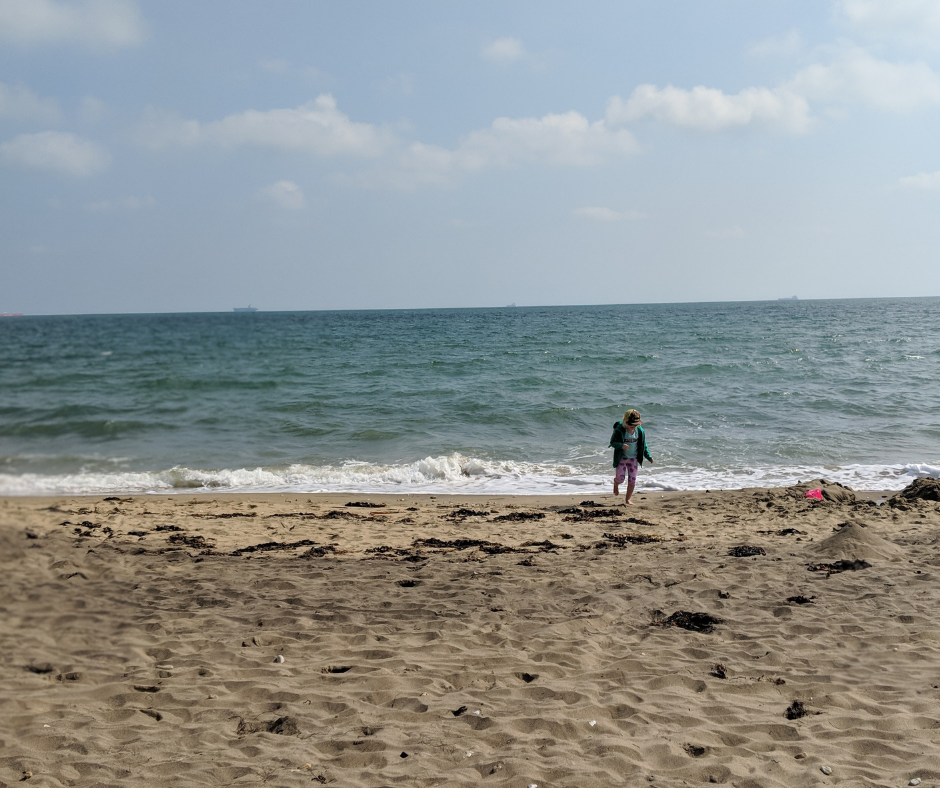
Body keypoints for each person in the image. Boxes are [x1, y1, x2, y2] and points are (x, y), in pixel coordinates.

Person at [609, 409, 654, 505]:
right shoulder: (620, 430)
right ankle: (616, 483)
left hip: (634, 458)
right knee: (620, 479)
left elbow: (643, 445)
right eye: (631, 424)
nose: (633, 426)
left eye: (635, 424)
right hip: (622, 457)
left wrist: (648, 456)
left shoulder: (639, 431)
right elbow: (612, 442)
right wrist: (621, 445)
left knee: (632, 480)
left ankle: (628, 499)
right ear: (625, 421)